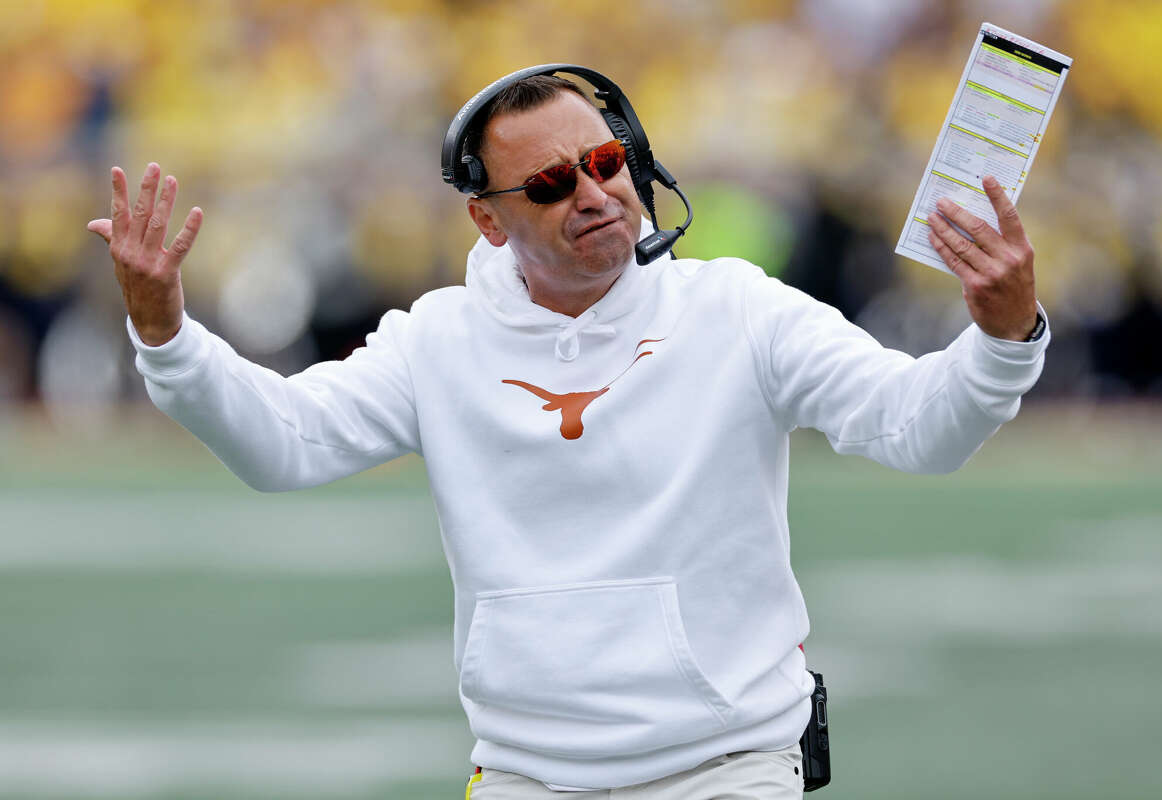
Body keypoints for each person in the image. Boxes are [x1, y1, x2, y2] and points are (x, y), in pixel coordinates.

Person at [87, 71, 1047, 798]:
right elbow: (282, 443)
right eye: (548, 185)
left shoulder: (738, 311)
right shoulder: (438, 340)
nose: (592, 194)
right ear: (487, 218)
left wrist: (1003, 337)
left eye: (604, 164)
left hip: (729, 769)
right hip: (524, 776)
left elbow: (918, 428)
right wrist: (165, 333)